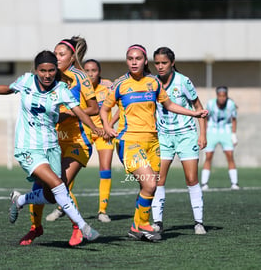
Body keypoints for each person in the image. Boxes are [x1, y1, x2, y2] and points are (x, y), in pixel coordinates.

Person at [0, 50, 101, 244]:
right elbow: (8, 88)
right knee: (59, 185)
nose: (46, 75)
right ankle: (84, 227)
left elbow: (79, 111)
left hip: (51, 147)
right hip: (27, 148)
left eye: (51, 70)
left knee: (51, 196)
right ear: (36, 70)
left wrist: (95, 127)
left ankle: (20, 200)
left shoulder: (61, 89)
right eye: (42, 71)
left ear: (56, 71)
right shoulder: (26, 81)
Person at [100, 44, 208, 242]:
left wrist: (194, 113)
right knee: (150, 183)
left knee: (150, 186)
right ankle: (143, 224)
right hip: (129, 141)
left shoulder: (153, 83)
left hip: (153, 141)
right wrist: (107, 127)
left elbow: (169, 105)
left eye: (138, 58)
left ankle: (136, 227)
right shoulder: (120, 84)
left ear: (144, 61)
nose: (134, 62)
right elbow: (104, 109)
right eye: (130, 58)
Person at [22, 36, 100, 246]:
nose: (56, 58)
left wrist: (70, 114)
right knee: (40, 187)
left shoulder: (80, 78)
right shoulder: (50, 77)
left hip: (77, 142)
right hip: (51, 141)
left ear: (72, 57)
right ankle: (35, 227)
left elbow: (94, 108)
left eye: (61, 55)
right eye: (55, 54)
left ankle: (78, 228)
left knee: (60, 185)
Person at [150, 47, 207, 235]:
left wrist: (202, 134)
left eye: (164, 63)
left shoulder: (183, 81)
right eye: (157, 63)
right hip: (163, 136)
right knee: (158, 179)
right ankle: (157, 221)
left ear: (172, 63)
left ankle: (198, 222)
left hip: (186, 135)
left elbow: (198, 108)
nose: (160, 66)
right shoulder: (151, 82)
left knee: (191, 179)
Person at [83, 59, 116, 223]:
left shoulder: (108, 86)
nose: (90, 74)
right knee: (71, 166)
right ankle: (62, 207)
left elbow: (121, 103)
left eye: (94, 70)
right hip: (85, 132)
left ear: (99, 72)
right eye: (87, 70)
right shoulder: (80, 87)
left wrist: (109, 125)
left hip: (104, 134)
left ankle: (102, 211)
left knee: (105, 168)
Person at [201, 86, 239, 190]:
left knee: (230, 155)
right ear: (217, 95)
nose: (222, 98)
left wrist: (234, 134)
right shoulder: (210, 104)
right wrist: (204, 133)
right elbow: (205, 118)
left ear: (227, 96)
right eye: (220, 96)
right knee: (208, 156)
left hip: (226, 131)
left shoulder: (231, 104)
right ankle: (204, 183)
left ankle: (234, 183)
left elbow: (234, 119)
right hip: (212, 130)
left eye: (224, 96)